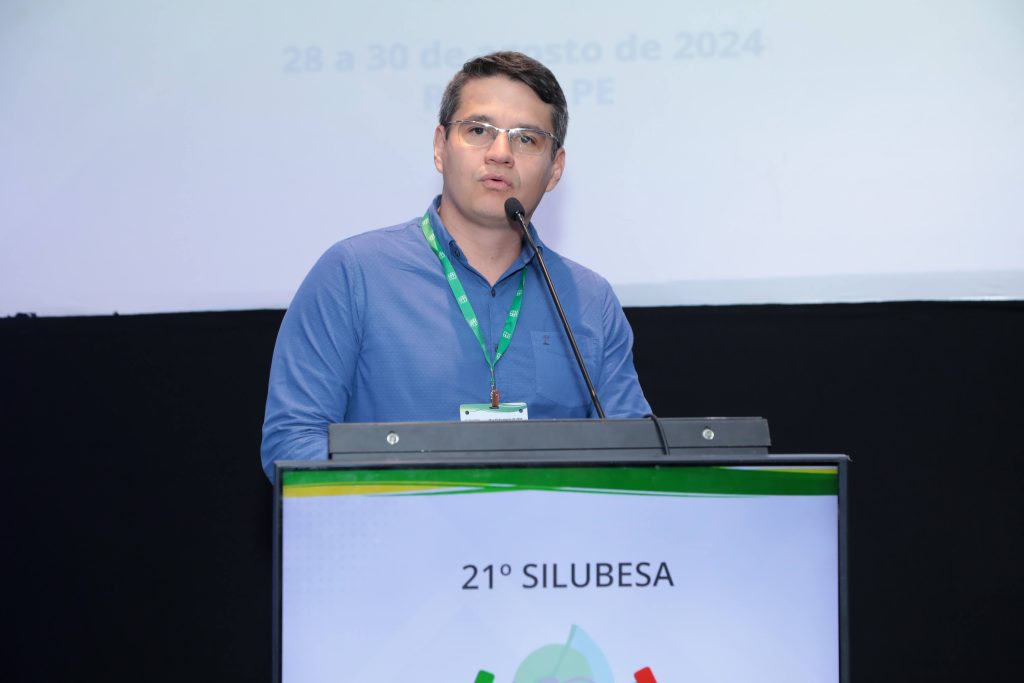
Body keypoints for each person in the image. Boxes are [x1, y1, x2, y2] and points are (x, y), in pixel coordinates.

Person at [261, 51, 649, 479]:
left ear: (555, 169)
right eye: (478, 130)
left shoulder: (589, 300)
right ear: (440, 148)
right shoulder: (353, 275)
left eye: (526, 139)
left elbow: (638, 458)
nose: (500, 153)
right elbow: (293, 441)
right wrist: (426, 499)